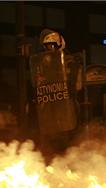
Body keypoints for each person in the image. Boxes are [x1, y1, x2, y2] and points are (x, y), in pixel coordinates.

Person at [29, 29, 81, 158]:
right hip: (49, 105)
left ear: (59, 45)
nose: (49, 49)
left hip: (65, 104)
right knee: (48, 140)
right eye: (47, 46)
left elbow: (76, 85)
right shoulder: (43, 63)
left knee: (65, 138)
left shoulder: (70, 62)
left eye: (52, 45)